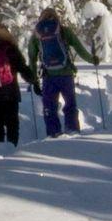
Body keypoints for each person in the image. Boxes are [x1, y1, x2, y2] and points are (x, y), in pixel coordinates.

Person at [27, 9, 95, 138]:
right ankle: (72, 130)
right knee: (70, 104)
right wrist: (92, 60)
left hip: (48, 76)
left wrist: (34, 80)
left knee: (49, 107)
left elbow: (32, 58)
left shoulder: (37, 35)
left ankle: (54, 133)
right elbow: (79, 48)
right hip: (66, 74)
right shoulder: (63, 31)